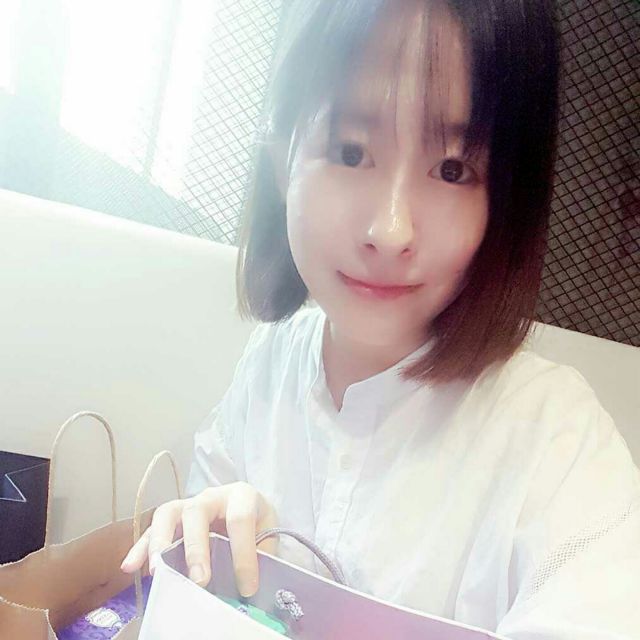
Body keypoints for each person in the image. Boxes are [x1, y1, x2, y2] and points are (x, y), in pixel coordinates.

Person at [122, 0, 640, 636]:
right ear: (283, 161)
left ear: (507, 200)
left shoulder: (560, 444)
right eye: (349, 150)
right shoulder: (269, 364)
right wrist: (210, 571)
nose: (390, 231)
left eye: (452, 169)